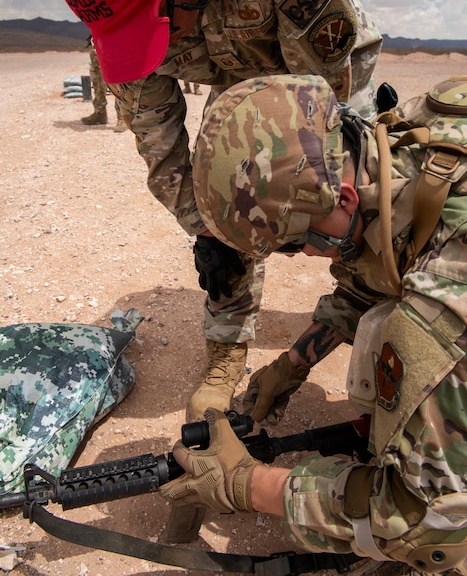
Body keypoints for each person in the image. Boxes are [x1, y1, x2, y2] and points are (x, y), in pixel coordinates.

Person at [34, 0, 383, 420]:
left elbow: (335, 97)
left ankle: (382, 315)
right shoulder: (115, 8)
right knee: (225, 203)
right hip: (236, 83)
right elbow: (158, 138)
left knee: (366, 207)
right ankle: (227, 350)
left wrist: (324, 224)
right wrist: (208, 230)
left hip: (314, 75)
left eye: (163, 23)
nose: (165, 42)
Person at [159, 74, 467, 573]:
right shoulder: (404, 148)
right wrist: (293, 364)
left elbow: (427, 523)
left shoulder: (445, 290)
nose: (301, 254)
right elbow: (375, 267)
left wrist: (249, 485)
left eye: (293, 242)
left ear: (345, 198)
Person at [82, 38, 127, 132]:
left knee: (117, 77)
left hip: (113, 38)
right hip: (97, 40)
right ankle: (100, 112)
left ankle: (122, 117)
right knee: (96, 78)